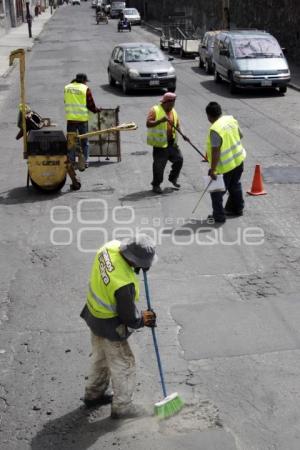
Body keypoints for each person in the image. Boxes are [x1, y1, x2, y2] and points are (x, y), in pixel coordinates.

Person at [80, 234, 157, 419]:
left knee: (101, 357)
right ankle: (122, 407)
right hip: (109, 323)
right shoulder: (123, 284)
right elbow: (129, 318)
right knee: (124, 364)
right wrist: (144, 320)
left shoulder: (109, 247)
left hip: (93, 313)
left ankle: (93, 394)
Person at [205, 101, 246, 223]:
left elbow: (216, 151)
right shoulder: (230, 119)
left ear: (209, 116)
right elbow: (241, 135)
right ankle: (238, 209)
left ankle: (218, 216)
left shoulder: (215, 129)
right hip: (238, 160)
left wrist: (213, 170)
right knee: (235, 185)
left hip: (225, 166)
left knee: (216, 192)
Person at [146, 92, 186, 194]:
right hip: (160, 145)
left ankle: (173, 178)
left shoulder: (173, 111)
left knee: (179, 159)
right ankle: (156, 185)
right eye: (172, 104)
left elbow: (177, 124)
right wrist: (160, 121)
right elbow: (148, 123)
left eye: (174, 104)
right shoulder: (155, 110)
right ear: (166, 102)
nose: (173, 106)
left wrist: (183, 134)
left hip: (172, 143)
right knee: (159, 166)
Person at [64, 73, 101, 168]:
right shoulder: (85, 88)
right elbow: (90, 104)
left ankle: (72, 162)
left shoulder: (67, 87)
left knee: (71, 141)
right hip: (82, 120)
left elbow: (66, 101)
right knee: (84, 142)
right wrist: (96, 110)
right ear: (84, 80)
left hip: (71, 119)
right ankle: (85, 162)